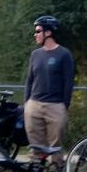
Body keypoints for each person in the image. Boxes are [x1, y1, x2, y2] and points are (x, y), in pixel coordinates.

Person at [23, 15, 75, 164]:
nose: (35, 34)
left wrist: (64, 106)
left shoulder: (64, 54)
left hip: (55, 106)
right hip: (34, 105)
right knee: (36, 147)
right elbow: (29, 80)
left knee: (55, 147)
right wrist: (27, 103)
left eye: (38, 31)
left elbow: (68, 83)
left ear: (48, 33)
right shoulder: (35, 55)